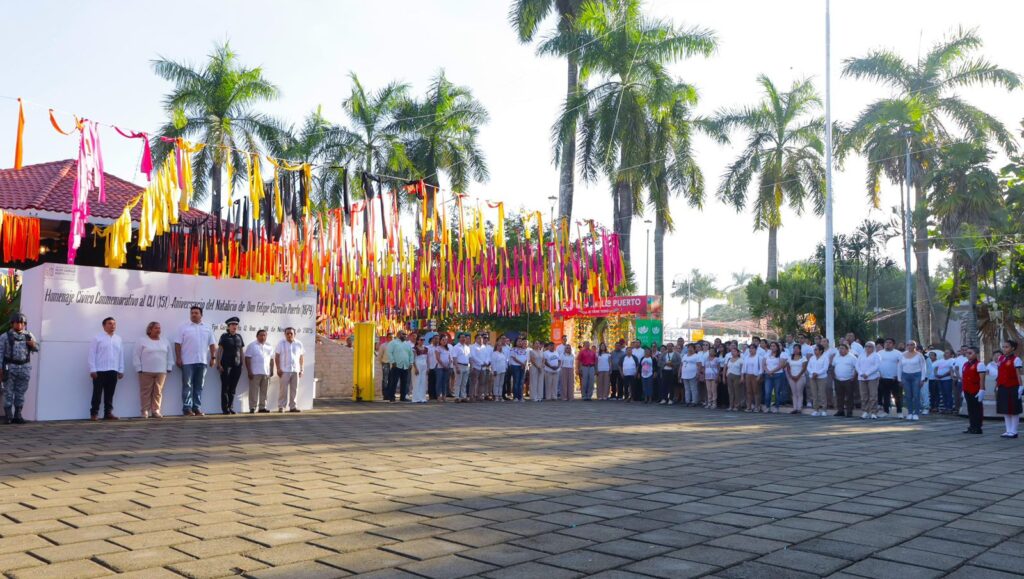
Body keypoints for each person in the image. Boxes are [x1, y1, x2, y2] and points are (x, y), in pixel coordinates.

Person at [175, 306, 217, 416]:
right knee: (187, 385)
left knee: (199, 386)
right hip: (187, 361)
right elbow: (177, 343)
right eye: (192, 313)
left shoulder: (207, 328)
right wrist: (178, 358)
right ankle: (187, 408)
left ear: (201, 315)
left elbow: (212, 344)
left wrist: (213, 358)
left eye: (196, 313)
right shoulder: (183, 327)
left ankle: (196, 407)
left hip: (202, 362)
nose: (194, 314)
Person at [1, 312, 39, 424]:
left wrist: (33, 345)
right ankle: (8, 416)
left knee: (20, 392)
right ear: (12, 323)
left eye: (22, 323)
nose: (19, 325)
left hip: (24, 368)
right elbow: (0, 352)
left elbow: (37, 348)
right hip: (10, 367)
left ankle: (18, 415)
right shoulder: (5, 336)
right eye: (17, 323)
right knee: (8, 392)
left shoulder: (29, 335)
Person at [134, 321, 174, 418]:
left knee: (158, 392)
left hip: (161, 371)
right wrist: (138, 367)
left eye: (159, 328)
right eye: (156, 328)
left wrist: (169, 366)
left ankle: (155, 410)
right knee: (145, 392)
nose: (158, 330)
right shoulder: (142, 340)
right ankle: (145, 411)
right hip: (146, 371)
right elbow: (136, 355)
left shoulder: (165, 341)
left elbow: (170, 355)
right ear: (150, 329)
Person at [88, 317, 124, 421]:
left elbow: (121, 355)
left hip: (113, 370)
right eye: (109, 324)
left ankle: (108, 413)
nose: (112, 326)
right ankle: (94, 413)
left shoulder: (118, 339)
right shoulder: (97, 338)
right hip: (99, 370)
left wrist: (121, 370)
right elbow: (92, 354)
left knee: (110, 394)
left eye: (114, 324)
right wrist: (92, 369)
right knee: (97, 393)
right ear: (104, 326)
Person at [215, 317, 245, 415]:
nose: (234, 326)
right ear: (228, 326)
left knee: (233, 388)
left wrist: (242, 364)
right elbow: (220, 350)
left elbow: (241, 351)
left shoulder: (239, 337)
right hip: (226, 365)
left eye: (236, 325)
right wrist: (218, 363)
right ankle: (225, 409)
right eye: (232, 325)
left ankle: (230, 407)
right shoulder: (224, 336)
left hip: (237, 365)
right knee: (225, 387)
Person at [995, 340, 1023, 438]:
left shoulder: (1016, 359)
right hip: (1002, 386)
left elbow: (1018, 374)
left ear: (1012, 348)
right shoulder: (1001, 358)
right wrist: (997, 385)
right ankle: (1008, 430)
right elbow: (1000, 372)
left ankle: (1014, 431)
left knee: (1013, 409)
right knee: (1005, 409)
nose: (1004, 349)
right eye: (1003, 347)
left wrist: (1021, 386)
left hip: (1013, 386)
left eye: (1007, 347)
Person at [275, 328, 305, 412]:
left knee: (294, 389)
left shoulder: (299, 344)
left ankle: (293, 407)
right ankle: (281, 406)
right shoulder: (281, 343)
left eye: (291, 333)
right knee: (283, 390)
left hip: (296, 370)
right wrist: (278, 368)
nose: (289, 335)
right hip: (284, 370)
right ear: (285, 334)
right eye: (287, 333)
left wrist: (302, 369)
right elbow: (277, 356)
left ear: (294, 334)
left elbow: (301, 357)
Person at [244, 329, 274, 413]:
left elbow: (271, 360)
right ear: (257, 336)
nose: (263, 337)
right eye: (261, 335)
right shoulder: (252, 345)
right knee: (253, 391)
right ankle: (252, 407)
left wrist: (272, 370)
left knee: (264, 392)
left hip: (266, 373)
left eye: (264, 335)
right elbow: (247, 358)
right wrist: (249, 371)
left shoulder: (269, 346)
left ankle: (262, 407)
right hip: (255, 372)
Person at [897, 341, 926, 421]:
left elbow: (923, 367)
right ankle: (910, 413)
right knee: (908, 395)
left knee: (916, 395)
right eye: (908, 345)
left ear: (915, 346)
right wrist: (899, 379)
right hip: (905, 376)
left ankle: (916, 413)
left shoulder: (919, 355)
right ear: (906, 346)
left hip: (917, 376)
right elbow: (899, 367)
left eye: (912, 345)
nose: (910, 346)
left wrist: (922, 379)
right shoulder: (902, 355)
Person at [961, 346, 986, 435]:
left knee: (977, 409)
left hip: (976, 390)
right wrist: (963, 390)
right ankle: (972, 426)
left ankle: (978, 427)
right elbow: (964, 378)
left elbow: (982, 379)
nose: (967, 355)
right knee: (970, 409)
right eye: (967, 353)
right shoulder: (965, 364)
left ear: (976, 354)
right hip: (967, 390)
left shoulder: (980, 364)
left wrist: (982, 390)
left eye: (970, 353)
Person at [876, 338, 903, 418]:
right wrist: (878, 374)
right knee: (885, 396)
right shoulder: (879, 353)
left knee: (897, 396)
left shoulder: (898, 353)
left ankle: (899, 412)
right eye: (886, 342)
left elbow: (901, 366)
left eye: (890, 343)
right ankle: (886, 411)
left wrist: (898, 376)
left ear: (893, 345)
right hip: (883, 378)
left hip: (894, 378)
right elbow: (876, 364)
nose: (887, 344)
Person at [385, 331, 413, 403]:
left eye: (405, 334)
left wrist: (411, 363)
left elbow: (411, 354)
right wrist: (392, 361)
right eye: (403, 334)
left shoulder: (407, 344)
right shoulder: (393, 343)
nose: (405, 336)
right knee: (393, 382)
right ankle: (392, 397)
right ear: (398, 335)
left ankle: (403, 397)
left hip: (405, 366)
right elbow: (389, 352)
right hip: (396, 365)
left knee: (405, 382)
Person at [856, 341, 881, 419]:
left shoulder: (876, 355)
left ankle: (873, 412)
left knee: (873, 395)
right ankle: (865, 411)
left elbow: (876, 366)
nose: (868, 348)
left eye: (870, 346)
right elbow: (857, 365)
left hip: (872, 377)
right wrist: (861, 373)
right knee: (864, 395)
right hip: (861, 377)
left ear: (873, 347)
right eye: (866, 346)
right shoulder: (861, 355)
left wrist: (867, 373)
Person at [832, 343, 858, 418]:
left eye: (842, 348)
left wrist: (854, 377)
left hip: (848, 380)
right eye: (840, 348)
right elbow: (833, 366)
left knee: (849, 396)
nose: (840, 350)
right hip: (838, 379)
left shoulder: (852, 357)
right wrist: (833, 375)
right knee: (839, 396)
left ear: (847, 349)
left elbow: (857, 368)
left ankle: (849, 412)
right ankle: (840, 411)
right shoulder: (836, 357)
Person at [762, 342, 786, 413]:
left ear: (777, 347)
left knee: (777, 392)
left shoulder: (781, 354)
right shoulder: (767, 354)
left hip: (778, 375)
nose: (772, 348)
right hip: (768, 375)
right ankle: (767, 406)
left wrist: (772, 371)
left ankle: (776, 407)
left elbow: (781, 365)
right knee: (767, 392)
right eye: (771, 346)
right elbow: (763, 364)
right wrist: (767, 371)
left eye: (774, 346)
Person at [808, 344, 831, 417]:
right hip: (812, 377)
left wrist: (817, 373)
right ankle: (816, 410)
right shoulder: (812, 358)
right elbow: (809, 367)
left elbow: (825, 368)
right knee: (814, 394)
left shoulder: (825, 358)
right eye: (814, 349)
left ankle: (824, 410)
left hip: (821, 377)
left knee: (822, 393)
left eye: (816, 349)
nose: (815, 351)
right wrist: (812, 373)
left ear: (821, 351)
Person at [469, 333, 492, 402]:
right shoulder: (473, 347)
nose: (480, 339)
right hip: (476, 367)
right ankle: (472, 396)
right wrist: (481, 363)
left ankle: (480, 396)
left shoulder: (484, 347)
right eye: (479, 338)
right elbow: (473, 356)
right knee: (474, 382)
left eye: (481, 338)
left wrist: (486, 362)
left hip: (484, 368)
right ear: (475, 339)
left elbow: (488, 356)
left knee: (482, 383)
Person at [933, 348, 956, 414]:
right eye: (945, 352)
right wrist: (936, 374)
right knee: (943, 394)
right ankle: (945, 408)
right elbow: (936, 367)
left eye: (947, 353)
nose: (945, 354)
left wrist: (943, 375)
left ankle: (949, 408)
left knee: (948, 394)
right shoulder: (941, 360)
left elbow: (951, 370)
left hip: (947, 380)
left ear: (951, 355)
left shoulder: (952, 360)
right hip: (940, 380)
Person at [786, 347, 807, 415]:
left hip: (801, 377)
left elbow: (804, 368)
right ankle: (794, 408)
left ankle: (799, 408)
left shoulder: (803, 358)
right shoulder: (790, 358)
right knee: (794, 393)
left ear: (800, 350)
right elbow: (788, 368)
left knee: (799, 393)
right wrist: (791, 376)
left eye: (797, 349)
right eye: (794, 349)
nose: (795, 350)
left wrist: (798, 376)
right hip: (792, 377)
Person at [741, 344, 762, 412]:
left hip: (755, 375)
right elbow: (743, 368)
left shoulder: (759, 357)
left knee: (756, 391)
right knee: (748, 391)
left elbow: (761, 368)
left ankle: (757, 407)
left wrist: (759, 376)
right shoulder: (746, 357)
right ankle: (749, 407)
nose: (751, 350)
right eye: (750, 348)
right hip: (747, 375)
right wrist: (742, 376)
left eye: (752, 348)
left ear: (756, 349)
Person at [452, 333, 471, 402]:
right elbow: (454, 358)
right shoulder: (456, 347)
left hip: (466, 366)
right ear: (459, 338)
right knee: (458, 382)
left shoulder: (467, 347)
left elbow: (469, 357)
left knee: (464, 383)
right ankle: (456, 397)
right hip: (459, 365)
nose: (463, 339)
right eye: (462, 337)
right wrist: (456, 367)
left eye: (464, 337)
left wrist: (470, 366)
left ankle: (463, 396)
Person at [508, 338, 528, 402]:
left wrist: (524, 364)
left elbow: (526, 358)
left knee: (521, 382)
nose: (520, 342)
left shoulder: (524, 350)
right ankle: (515, 397)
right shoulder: (513, 349)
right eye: (518, 341)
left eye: (521, 341)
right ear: (516, 342)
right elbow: (514, 358)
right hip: (515, 366)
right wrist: (521, 363)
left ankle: (521, 397)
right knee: (516, 381)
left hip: (522, 367)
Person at [725, 346, 744, 412]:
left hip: (737, 376)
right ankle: (731, 405)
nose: (733, 353)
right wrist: (726, 375)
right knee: (730, 392)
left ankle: (736, 405)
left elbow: (742, 370)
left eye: (734, 351)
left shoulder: (740, 360)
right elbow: (727, 368)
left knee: (737, 392)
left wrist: (742, 377)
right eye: (732, 351)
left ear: (738, 353)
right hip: (729, 376)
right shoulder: (729, 359)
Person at [435, 334, 452, 402]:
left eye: (446, 340)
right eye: (443, 340)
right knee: (439, 382)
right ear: (440, 341)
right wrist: (443, 365)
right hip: (440, 367)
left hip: (447, 367)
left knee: (445, 382)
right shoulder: (438, 348)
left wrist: (449, 364)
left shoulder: (447, 348)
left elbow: (450, 358)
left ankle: (444, 396)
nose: (444, 341)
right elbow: (438, 358)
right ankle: (438, 396)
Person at [411, 337, 429, 403]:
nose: (422, 341)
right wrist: (415, 368)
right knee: (416, 381)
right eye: (421, 340)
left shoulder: (426, 348)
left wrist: (428, 368)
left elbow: (427, 359)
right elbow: (413, 359)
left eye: (423, 340)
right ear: (417, 341)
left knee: (423, 382)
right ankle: (416, 398)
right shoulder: (414, 349)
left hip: (424, 365)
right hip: (417, 365)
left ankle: (422, 398)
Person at [376, 333, 393, 397]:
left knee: (391, 379)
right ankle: (385, 394)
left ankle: (390, 393)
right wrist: (382, 363)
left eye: (392, 337)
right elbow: (380, 356)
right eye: (390, 337)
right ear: (387, 337)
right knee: (385, 379)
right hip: (385, 363)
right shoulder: (383, 345)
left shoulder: (395, 345)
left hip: (393, 364)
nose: (391, 338)